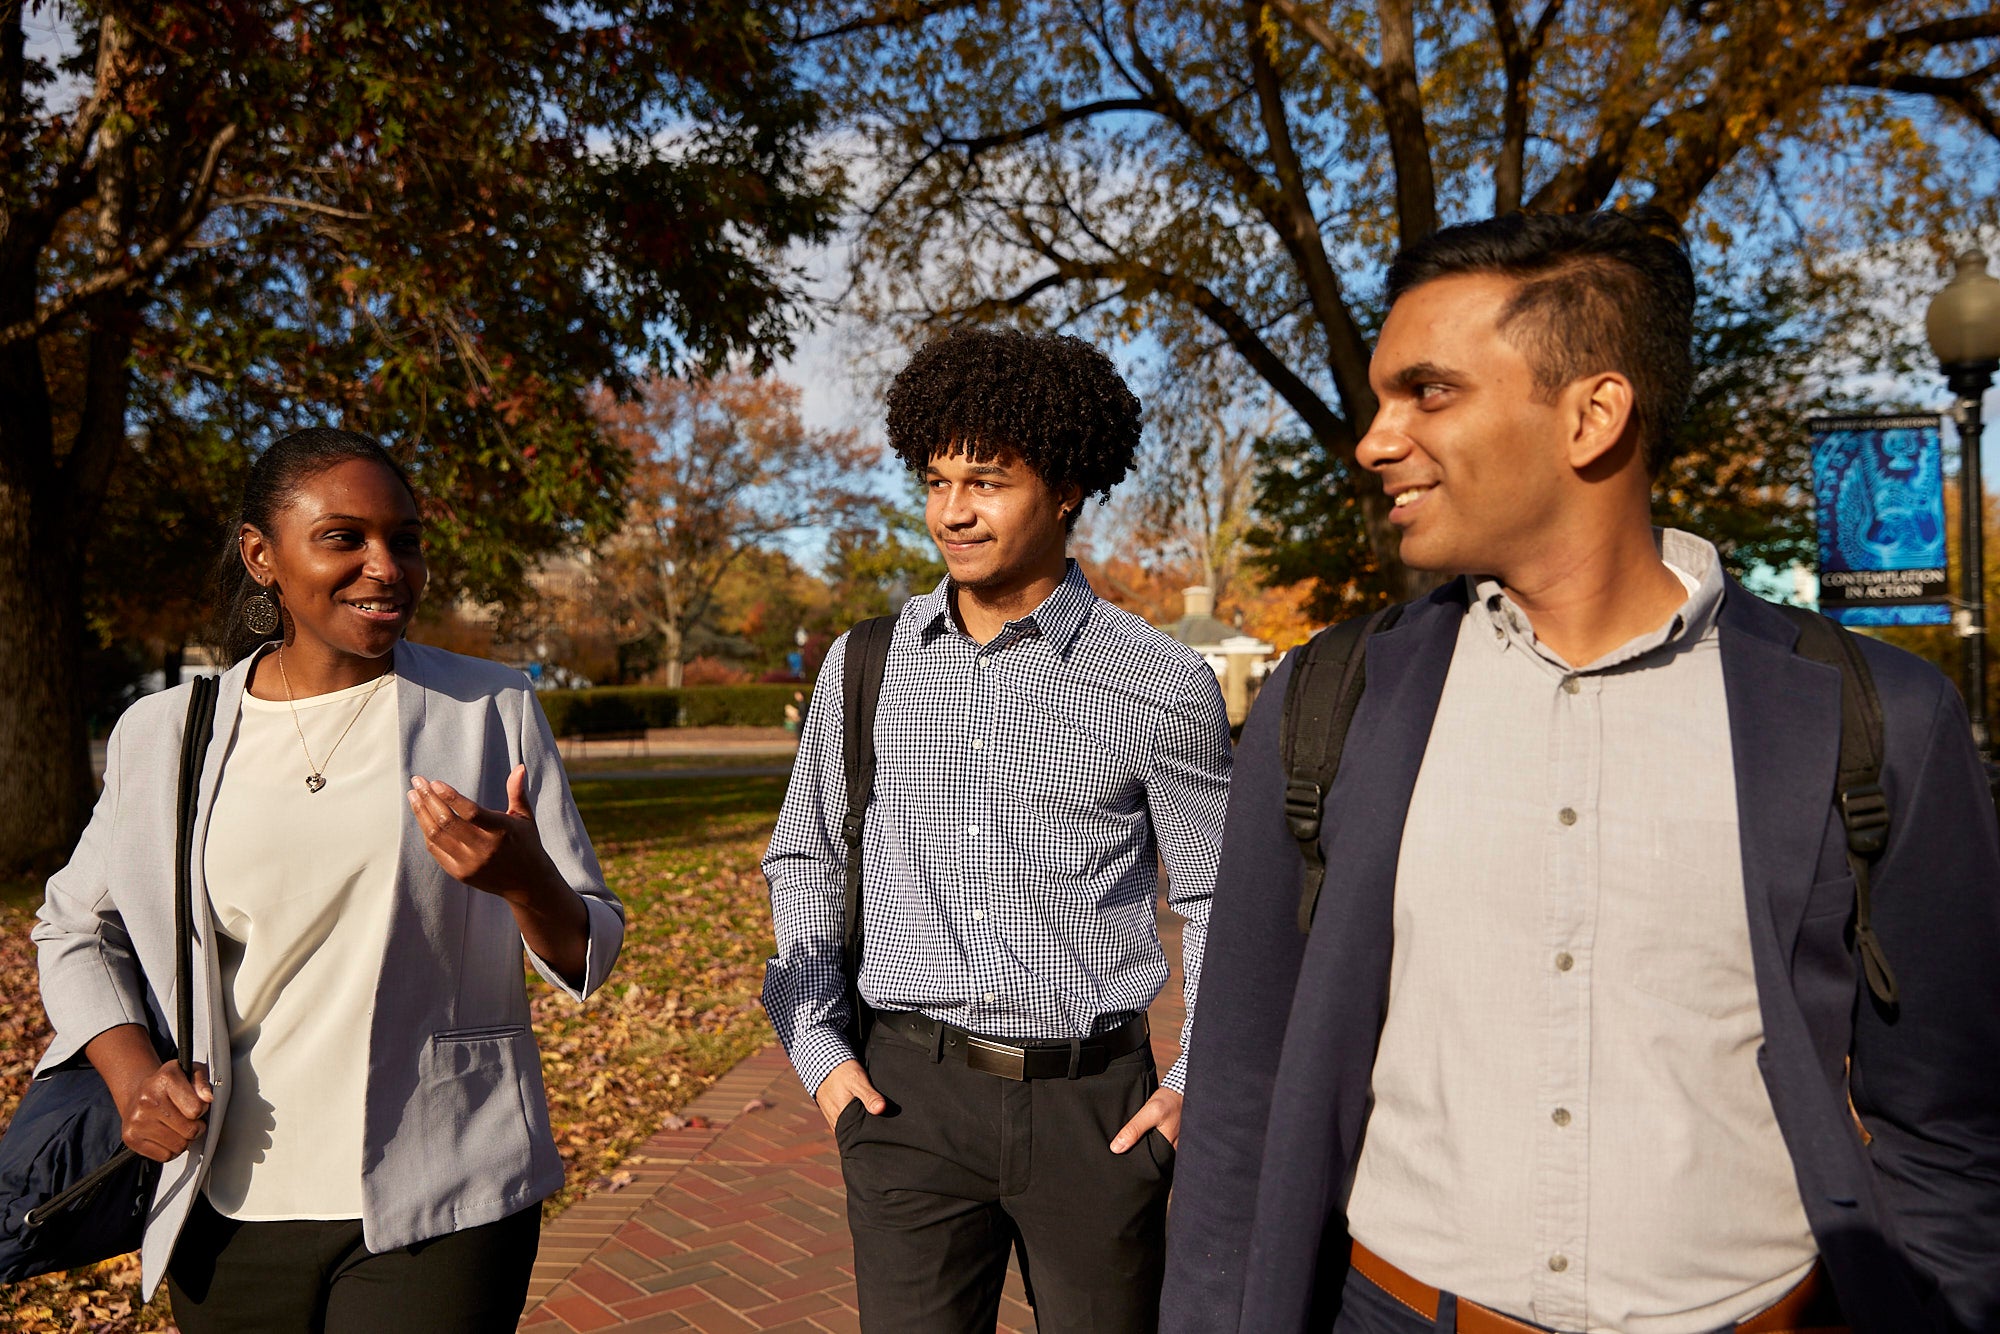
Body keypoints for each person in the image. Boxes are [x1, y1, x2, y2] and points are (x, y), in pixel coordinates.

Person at [1163, 210, 2000, 1334]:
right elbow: (1240, 1100)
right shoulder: (1330, 700)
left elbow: (1950, 1119)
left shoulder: (1879, 717)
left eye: (1427, 391)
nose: (1372, 440)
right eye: (1379, 397)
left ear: (1591, 414)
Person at [33, 428, 625, 1332]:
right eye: (344, 538)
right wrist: (132, 1080)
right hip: (224, 1201)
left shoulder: (489, 708)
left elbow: (589, 946)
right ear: (261, 556)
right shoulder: (167, 733)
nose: (385, 567)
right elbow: (75, 924)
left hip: (444, 1188)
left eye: (405, 539)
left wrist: (524, 881)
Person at [761, 328, 1232, 1333]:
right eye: (935, 481)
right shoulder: (865, 663)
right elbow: (806, 850)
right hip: (903, 1101)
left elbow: (1217, 897)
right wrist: (817, 1048)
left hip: (1094, 1111)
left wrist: (1196, 1079)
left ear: (1064, 487)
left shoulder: (1158, 682)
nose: (951, 512)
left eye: (985, 480)